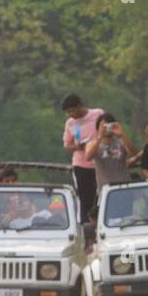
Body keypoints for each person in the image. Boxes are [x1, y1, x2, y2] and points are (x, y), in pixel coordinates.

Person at [62, 93, 104, 222]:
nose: (71, 114)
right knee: (85, 196)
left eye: (72, 110)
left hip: (99, 162)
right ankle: (86, 225)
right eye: (68, 112)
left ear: (80, 106)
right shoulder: (70, 123)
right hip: (81, 163)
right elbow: (67, 145)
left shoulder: (97, 114)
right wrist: (77, 146)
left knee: (100, 195)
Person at [85, 112, 138, 192]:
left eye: (109, 125)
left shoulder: (121, 142)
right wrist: (99, 137)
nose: (107, 128)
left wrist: (122, 135)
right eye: (104, 126)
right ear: (98, 127)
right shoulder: (92, 144)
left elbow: (134, 153)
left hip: (124, 186)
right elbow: (88, 157)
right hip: (105, 189)